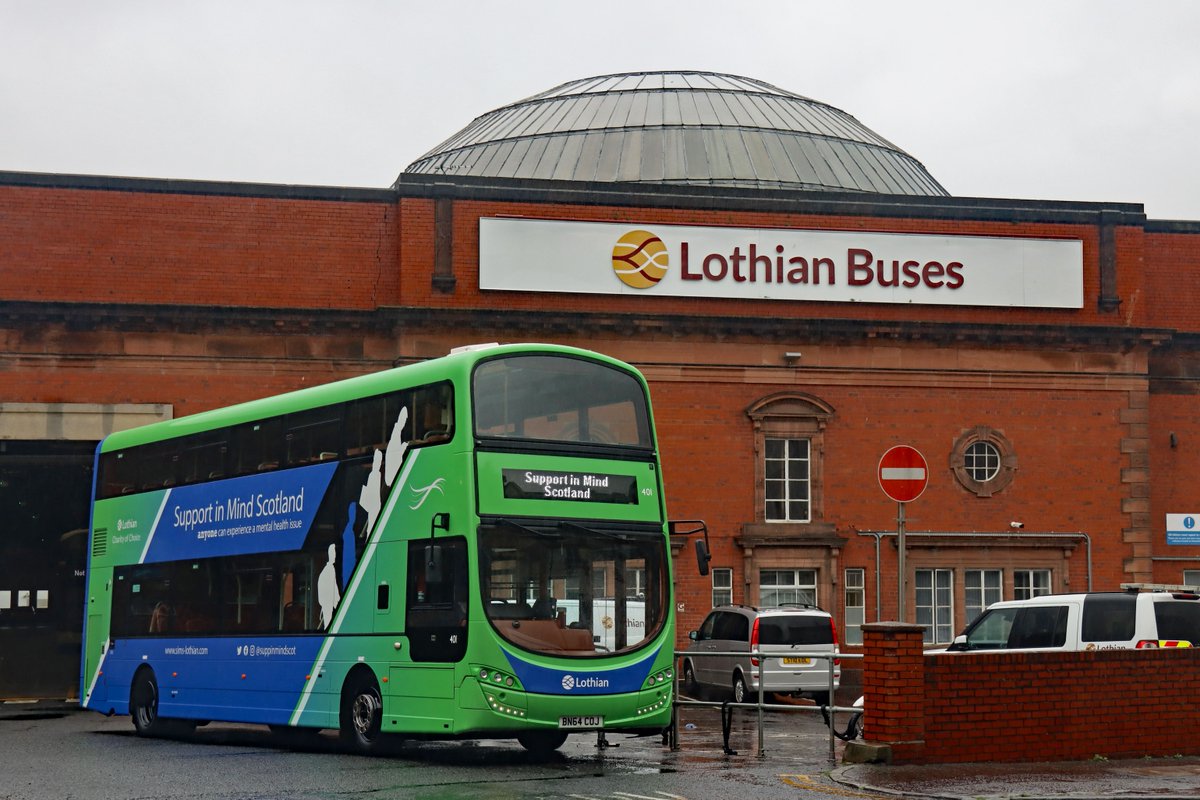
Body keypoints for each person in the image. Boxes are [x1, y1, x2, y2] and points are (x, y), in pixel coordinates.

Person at [317, 543, 340, 629]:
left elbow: (335, 587)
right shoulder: (328, 570)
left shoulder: (330, 569)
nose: (334, 556)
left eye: (335, 553)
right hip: (327, 605)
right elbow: (332, 588)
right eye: (333, 553)